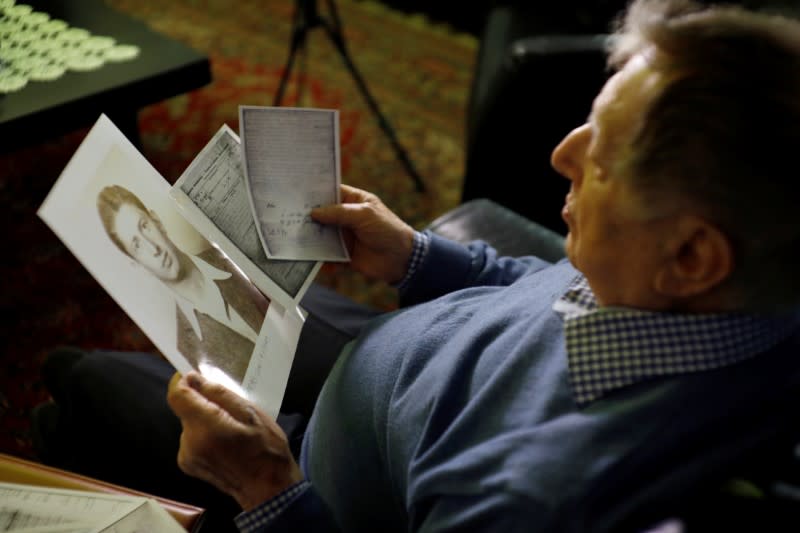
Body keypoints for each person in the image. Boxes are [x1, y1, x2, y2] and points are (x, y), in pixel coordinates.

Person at [34, 0, 800, 530]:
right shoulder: (736, 293)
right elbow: (546, 289)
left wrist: (266, 488)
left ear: (693, 255)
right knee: (236, 310)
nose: (562, 153)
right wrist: (420, 257)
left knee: (92, 379)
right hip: (410, 365)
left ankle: (65, 399)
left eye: (604, 162)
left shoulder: (532, 498)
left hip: (312, 477)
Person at [96, 184, 268, 383]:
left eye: (144, 226)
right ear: (135, 263)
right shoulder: (188, 349)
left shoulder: (231, 252)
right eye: (136, 245)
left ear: (157, 221)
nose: (153, 249)